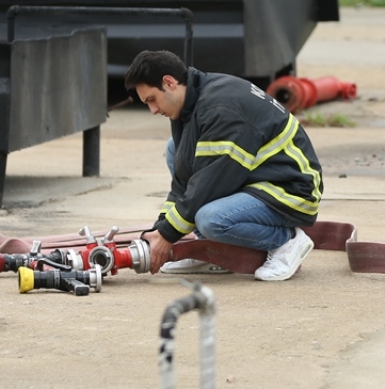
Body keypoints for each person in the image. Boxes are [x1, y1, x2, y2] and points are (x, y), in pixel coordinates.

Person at [125, 50, 324, 281]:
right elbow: (184, 182)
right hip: (255, 179)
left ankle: (287, 240)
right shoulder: (189, 105)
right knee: (174, 150)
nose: (153, 110)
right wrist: (160, 230)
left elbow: (209, 184)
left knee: (211, 219)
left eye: (151, 100)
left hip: (290, 189)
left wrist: (168, 235)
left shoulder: (220, 109)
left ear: (169, 83)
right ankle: (210, 249)